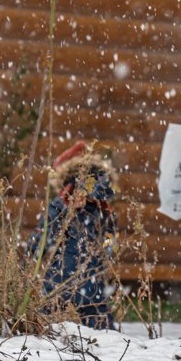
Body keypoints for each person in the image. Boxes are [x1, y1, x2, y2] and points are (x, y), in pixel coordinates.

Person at [28, 141, 117, 330]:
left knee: (43, 321)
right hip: (87, 277)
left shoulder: (68, 204)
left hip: (63, 275)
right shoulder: (102, 207)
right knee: (100, 325)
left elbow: (43, 235)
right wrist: (104, 257)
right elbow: (110, 238)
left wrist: (32, 255)